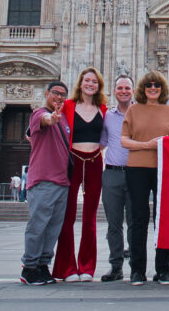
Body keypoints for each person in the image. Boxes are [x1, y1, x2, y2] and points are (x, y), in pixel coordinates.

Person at [121, 70, 169, 286]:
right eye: (149, 85)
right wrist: (147, 145)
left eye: (157, 85)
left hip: (164, 170)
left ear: (162, 89)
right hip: (136, 169)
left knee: (164, 220)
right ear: (143, 89)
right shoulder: (134, 110)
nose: (153, 88)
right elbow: (124, 140)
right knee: (138, 219)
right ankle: (137, 270)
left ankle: (163, 269)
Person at [54, 67, 108, 282]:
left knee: (90, 218)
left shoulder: (103, 108)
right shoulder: (67, 106)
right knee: (67, 216)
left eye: (94, 81)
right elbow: (48, 127)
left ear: (99, 85)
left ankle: (87, 267)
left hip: (94, 160)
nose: (90, 84)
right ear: (81, 83)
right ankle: (66, 267)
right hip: (72, 161)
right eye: (87, 80)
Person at [20, 80, 72, 286]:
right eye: (56, 93)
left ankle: (43, 265)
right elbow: (44, 120)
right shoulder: (39, 113)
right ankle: (29, 267)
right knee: (38, 225)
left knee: (52, 228)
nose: (59, 98)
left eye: (62, 95)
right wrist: (51, 118)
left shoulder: (66, 120)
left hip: (62, 180)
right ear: (47, 93)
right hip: (43, 179)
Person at [100, 75, 134, 282]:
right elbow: (99, 142)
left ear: (133, 90)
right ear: (114, 91)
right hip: (111, 173)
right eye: (120, 87)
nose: (123, 91)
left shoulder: (140, 113)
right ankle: (115, 266)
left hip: (135, 174)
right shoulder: (107, 116)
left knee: (134, 223)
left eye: (127, 88)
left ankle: (136, 267)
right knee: (114, 224)